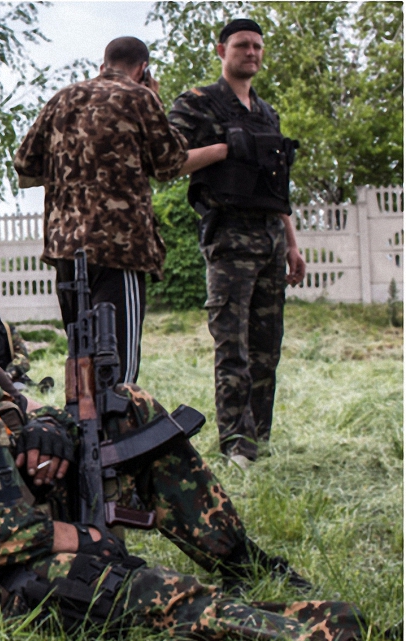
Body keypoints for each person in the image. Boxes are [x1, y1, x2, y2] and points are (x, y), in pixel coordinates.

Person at [0, 230, 364, 641]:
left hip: (26, 517)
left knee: (128, 407)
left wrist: (51, 428)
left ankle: (242, 562)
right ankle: (327, 637)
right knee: (146, 591)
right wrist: (71, 536)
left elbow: (20, 415)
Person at [14, 37, 221, 384]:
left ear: (103, 65)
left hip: (66, 249)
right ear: (143, 69)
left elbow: (25, 164)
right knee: (117, 369)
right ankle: (117, 434)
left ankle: (84, 434)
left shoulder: (62, 99)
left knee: (82, 361)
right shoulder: (141, 98)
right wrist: (156, 103)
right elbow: (170, 163)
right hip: (119, 249)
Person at [167, 19, 307, 469]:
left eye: (258, 47)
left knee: (267, 347)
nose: (252, 53)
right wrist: (225, 148)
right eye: (243, 46)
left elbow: (277, 184)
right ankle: (235, 445)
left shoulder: (267, 113)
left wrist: (292, 244)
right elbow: (167, 161)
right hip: (229, 237)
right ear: (221, 50)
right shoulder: (199, 103)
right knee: (234, 347)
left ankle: (259, 440)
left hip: (268, 236)